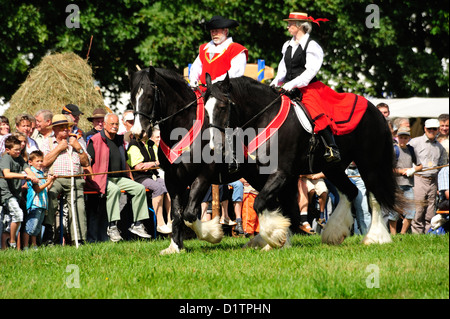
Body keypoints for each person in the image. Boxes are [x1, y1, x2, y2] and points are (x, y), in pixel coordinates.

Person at [270, 12, 342, 163]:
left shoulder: (312, 46)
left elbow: (310, 72)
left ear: (300, 26)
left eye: (290, 23)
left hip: (308, 87)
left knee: (315, 112)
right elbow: (283, 70)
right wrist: (275, 83)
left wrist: (291, 84)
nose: (288, 26)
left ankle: (332, 147)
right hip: (289, 87)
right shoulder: (287, 45)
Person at [87, 113, 151, 242]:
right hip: (103, 178)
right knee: (114, 190)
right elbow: (87, 163)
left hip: (120, 178)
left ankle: (137, 224)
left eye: (117, 124)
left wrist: (131, 178)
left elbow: (126, 162)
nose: (115, 127)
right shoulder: (95, 139)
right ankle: (112, 226)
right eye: (112, 124)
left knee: (139, 188)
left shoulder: (120, 139)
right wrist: (92, 179)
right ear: (105, 125)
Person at [41, 114, 90, 245]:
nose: (65, 130)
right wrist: (59, 148)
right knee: (50, 195)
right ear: (54, 129)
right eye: (62, 128)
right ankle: (49, 236)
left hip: (75, 179)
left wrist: (79, 149)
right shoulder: (48, 142)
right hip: (55, 178)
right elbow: (44, 162)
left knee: (78, 204)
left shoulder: (76, 141)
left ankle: (78, 239)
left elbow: (86, 163)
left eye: (67, 127)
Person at [127, 134, 172, 234]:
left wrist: (150, 164)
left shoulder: (150, 144)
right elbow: (139, 167)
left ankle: (170, 221)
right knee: (157, 188)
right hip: (139, 177)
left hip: (153, 175)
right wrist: (154, 163)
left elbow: (159, 161)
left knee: (169, 186)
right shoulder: (134, 145)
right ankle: (160, 224)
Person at [409, 118, 448, 233]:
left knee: (430, 210)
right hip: (419, 178)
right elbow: (405, 157)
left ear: (437, 130)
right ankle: (416, 235)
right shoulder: (415, 142)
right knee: (419, 209)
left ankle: (428, 235)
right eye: (429, 129)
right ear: (425, 129)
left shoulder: (440, 147)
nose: (431, 131)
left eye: (434, 129)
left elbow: (442, 166)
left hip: (433, 180)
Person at [0, 135, 39, 250]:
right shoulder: (6, 158)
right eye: (16, 150)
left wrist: (34, 177)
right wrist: (25, 176)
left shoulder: (19, 158)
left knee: (8, 221)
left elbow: (28, 170)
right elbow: (7, 174)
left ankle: (5, 249)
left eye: (20, 149)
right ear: (8, 150)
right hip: (6, 193)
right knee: (18, 215)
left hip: (15, 194)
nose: (18, 151)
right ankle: (12, 241)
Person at [189, 15, 248, 89]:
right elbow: (195, 68)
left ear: (225, 31)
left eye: (217, 31)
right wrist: (193, 81)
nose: (214, 34)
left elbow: (235, 73)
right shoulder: (204, 48)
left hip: (224, 92)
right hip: (203, 91)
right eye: (212, 31)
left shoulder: (236, 49)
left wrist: (215, 83)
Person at [388, 127, 422, 234]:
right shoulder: (394, 150)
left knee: (411, 212)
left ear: (409, 138)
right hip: (396, 185)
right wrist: (401, 171)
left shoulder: (411, 150)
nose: (403, 140)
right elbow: (388, 169)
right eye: (401, 137)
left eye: (405, 138)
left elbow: (420, 166)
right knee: (394, 213)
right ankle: (393, 235)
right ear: (397, 137)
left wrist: (413, 169)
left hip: (408, 185)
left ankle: (402, 234)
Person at [23, 150, 57, 250]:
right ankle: (25, 246)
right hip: (34, 204)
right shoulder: (32, 174)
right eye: (37, 161)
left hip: (42, 204)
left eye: (41, 161)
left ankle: (34, 245)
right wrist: (48, 181)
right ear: (30, 162)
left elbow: (45, 189)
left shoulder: (41, 173)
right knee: (30, 226)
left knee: (37, 227)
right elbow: (37, 189)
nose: (40, 163)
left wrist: (52, 181)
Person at [346, 162, 371, 235]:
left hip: (359, 173)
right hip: (345, 173)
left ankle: (367, 235)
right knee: (344, 208)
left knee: (363, 209)